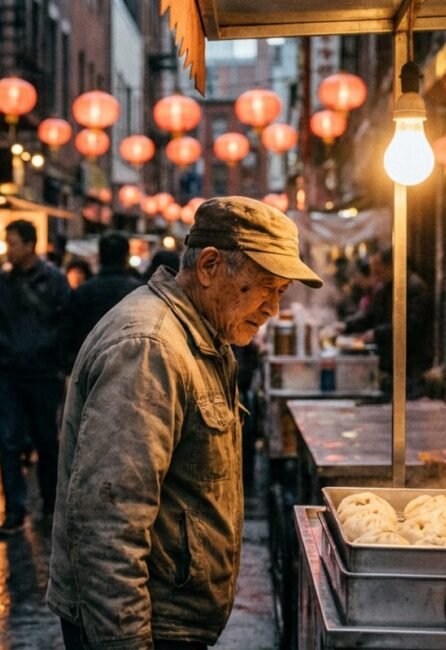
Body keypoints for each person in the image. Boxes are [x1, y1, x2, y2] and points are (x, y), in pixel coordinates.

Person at [48, 197, 322, 649]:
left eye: (282, 292)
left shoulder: (203, 336)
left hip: (172, 622)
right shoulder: (150, 347)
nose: (273, 308)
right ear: (211, 265)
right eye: (265, 287)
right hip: (145, 627)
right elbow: (107, 525)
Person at [0, 219, 70, 538]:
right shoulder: (3, 283)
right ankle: (13, 510)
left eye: (13, 243)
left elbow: (64, 324)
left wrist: (43, 352)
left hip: (42, 374)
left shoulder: (54, 281)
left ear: (30, 244)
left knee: (46, 440)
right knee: (8, 442)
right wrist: (4, 349)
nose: (8, 250)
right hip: (9, 373)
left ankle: (50, 503)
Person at [342, 248, 432, 398]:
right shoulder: (384, 288)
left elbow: (412, 326)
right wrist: (346, 325)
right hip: (388, 361)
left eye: (378, 272)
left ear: (393, 266)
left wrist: (376, 333)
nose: (375, 277)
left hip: (411, 363)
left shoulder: (415, 287)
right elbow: (370, 315)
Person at [64, 231, 142, 366]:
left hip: (91, 365)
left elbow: (70, 333)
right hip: (130, 365)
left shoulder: (84, 291)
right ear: (126, 257)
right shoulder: (139, 292)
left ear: (99, 257)